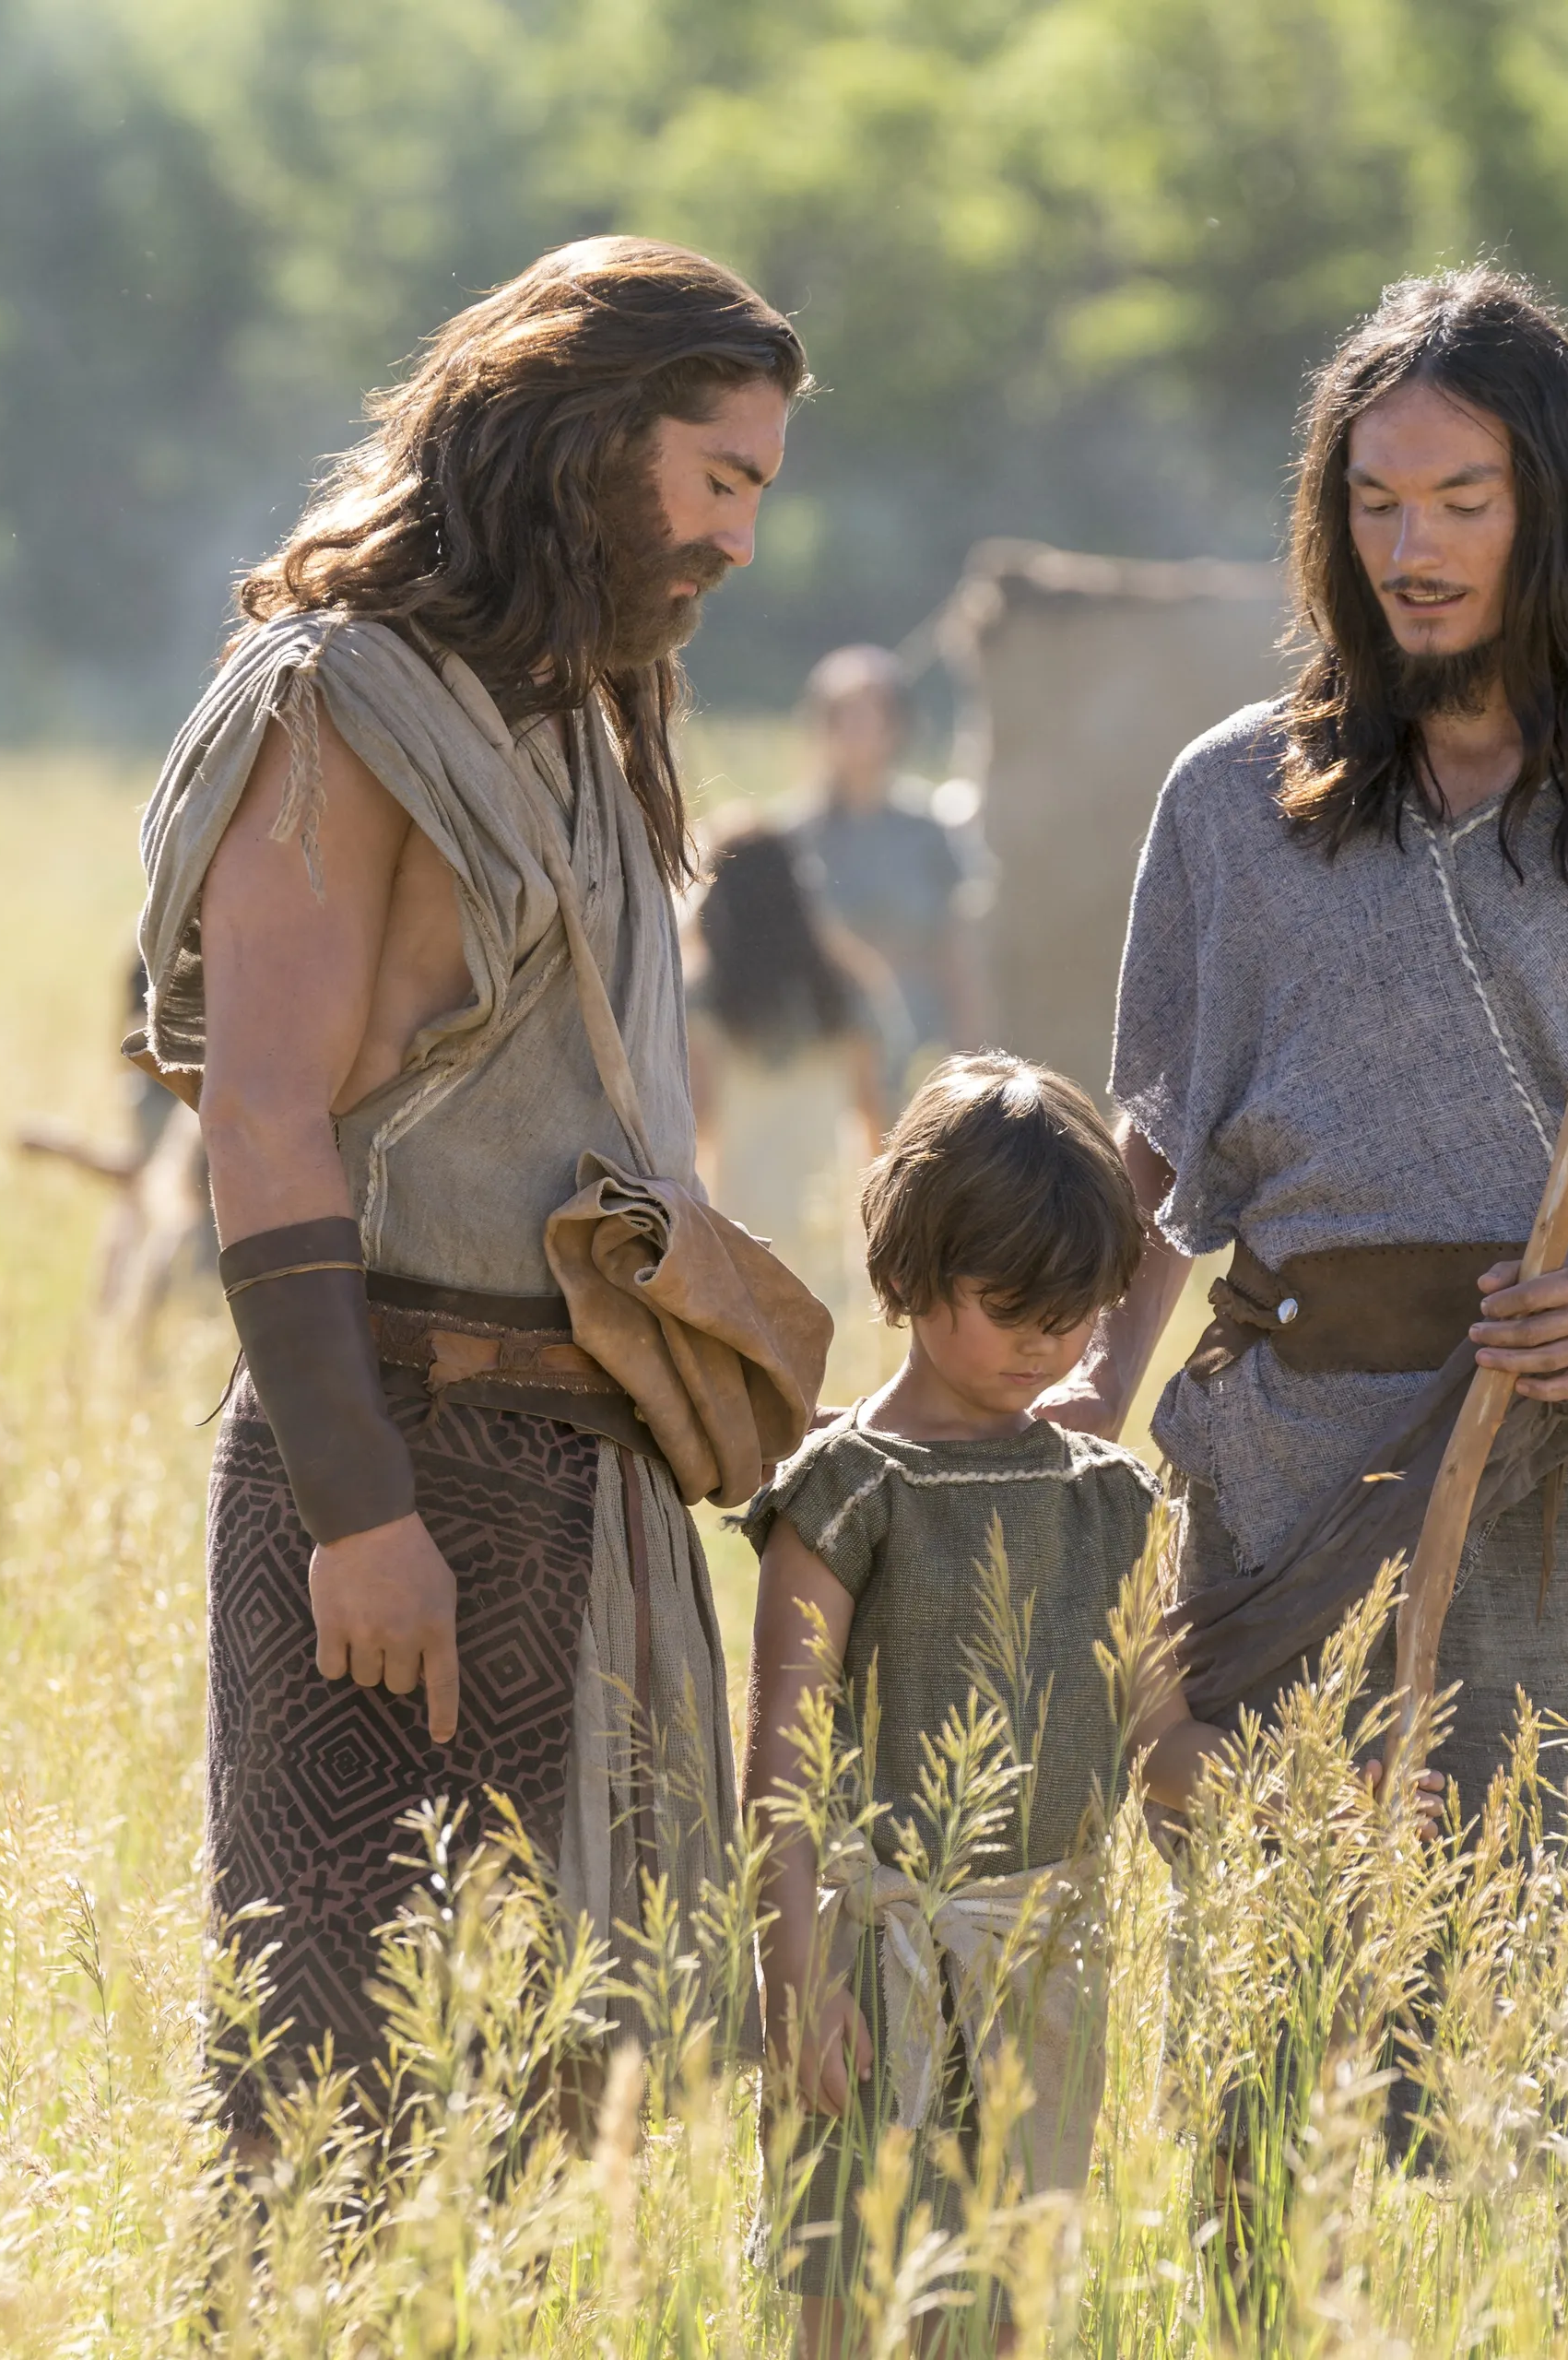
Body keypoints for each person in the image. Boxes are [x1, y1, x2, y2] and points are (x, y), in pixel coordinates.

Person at [1058, 270, 1568, 2300]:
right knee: (1279, 2013)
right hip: (1279, 1473)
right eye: (1375, 503)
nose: (1413, 547)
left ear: (1556, 508)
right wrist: (1084, 1399)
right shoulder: (1230, 800)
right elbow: (1155, 1163)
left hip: (1559, 1473)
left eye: (1461, 499)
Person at [126, 237, 807, 2132]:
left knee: (558, 2118)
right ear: (589, 433)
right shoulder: (339, 700)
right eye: (720, 477)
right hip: (396, 1465)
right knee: (335, 2108)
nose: (741, 539)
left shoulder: (586, 711)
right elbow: (262, 1117)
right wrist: (358, 1510)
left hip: (586, 1487)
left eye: (760, 489)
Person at [742, 1053, 1156, 2357]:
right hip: (874, 1968)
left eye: (1075, 1313)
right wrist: (794, 1977)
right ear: (915, 1270)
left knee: (1008, 2305)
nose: (1046, 1343)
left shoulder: (1107, 1500)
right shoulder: (847, 1491)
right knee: (856, 2294)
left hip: (1044, 1970)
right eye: (1012, 1305)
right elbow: (779, 1759)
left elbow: (1161, 1723)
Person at [687, 823, 889, 1320]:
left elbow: (695, 1125)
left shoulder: (704, 1001)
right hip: (829, 1222)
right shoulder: (842, 991)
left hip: (739, 1229)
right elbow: (874, 1119)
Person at [792, 644, 987, 1081]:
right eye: (842, 715)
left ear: (895, 725)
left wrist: (968, 1061)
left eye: (867, 715)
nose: (854, 729)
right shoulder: (793, 838)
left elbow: (956, 952)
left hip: (919, 1051)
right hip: (825, 1055)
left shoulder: (929, 832)